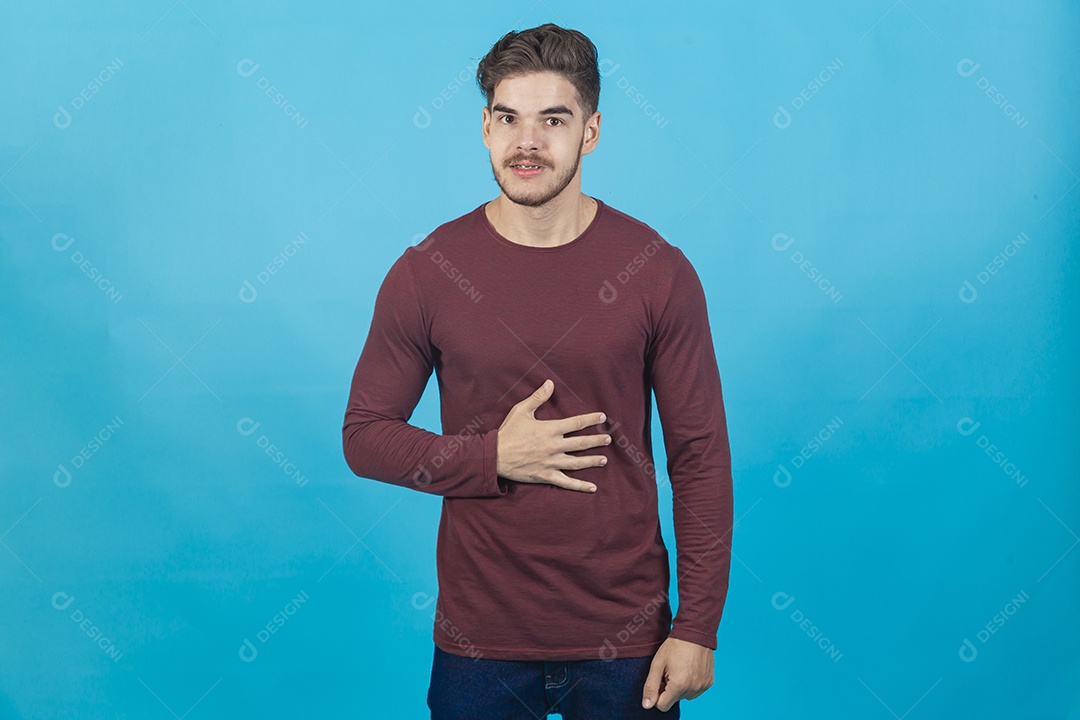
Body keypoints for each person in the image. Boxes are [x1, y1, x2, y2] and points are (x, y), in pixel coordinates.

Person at [342, 22, 734, 719]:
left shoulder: (658, 272)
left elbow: (699, 457)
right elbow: (364, 435)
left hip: (628, 642)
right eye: (509, 118)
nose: (528, 141)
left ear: (591, 131)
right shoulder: (427, 272)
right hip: (479, 645)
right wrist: (491, 455)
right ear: (485, 129)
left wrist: (697, 625)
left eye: (553, 119)